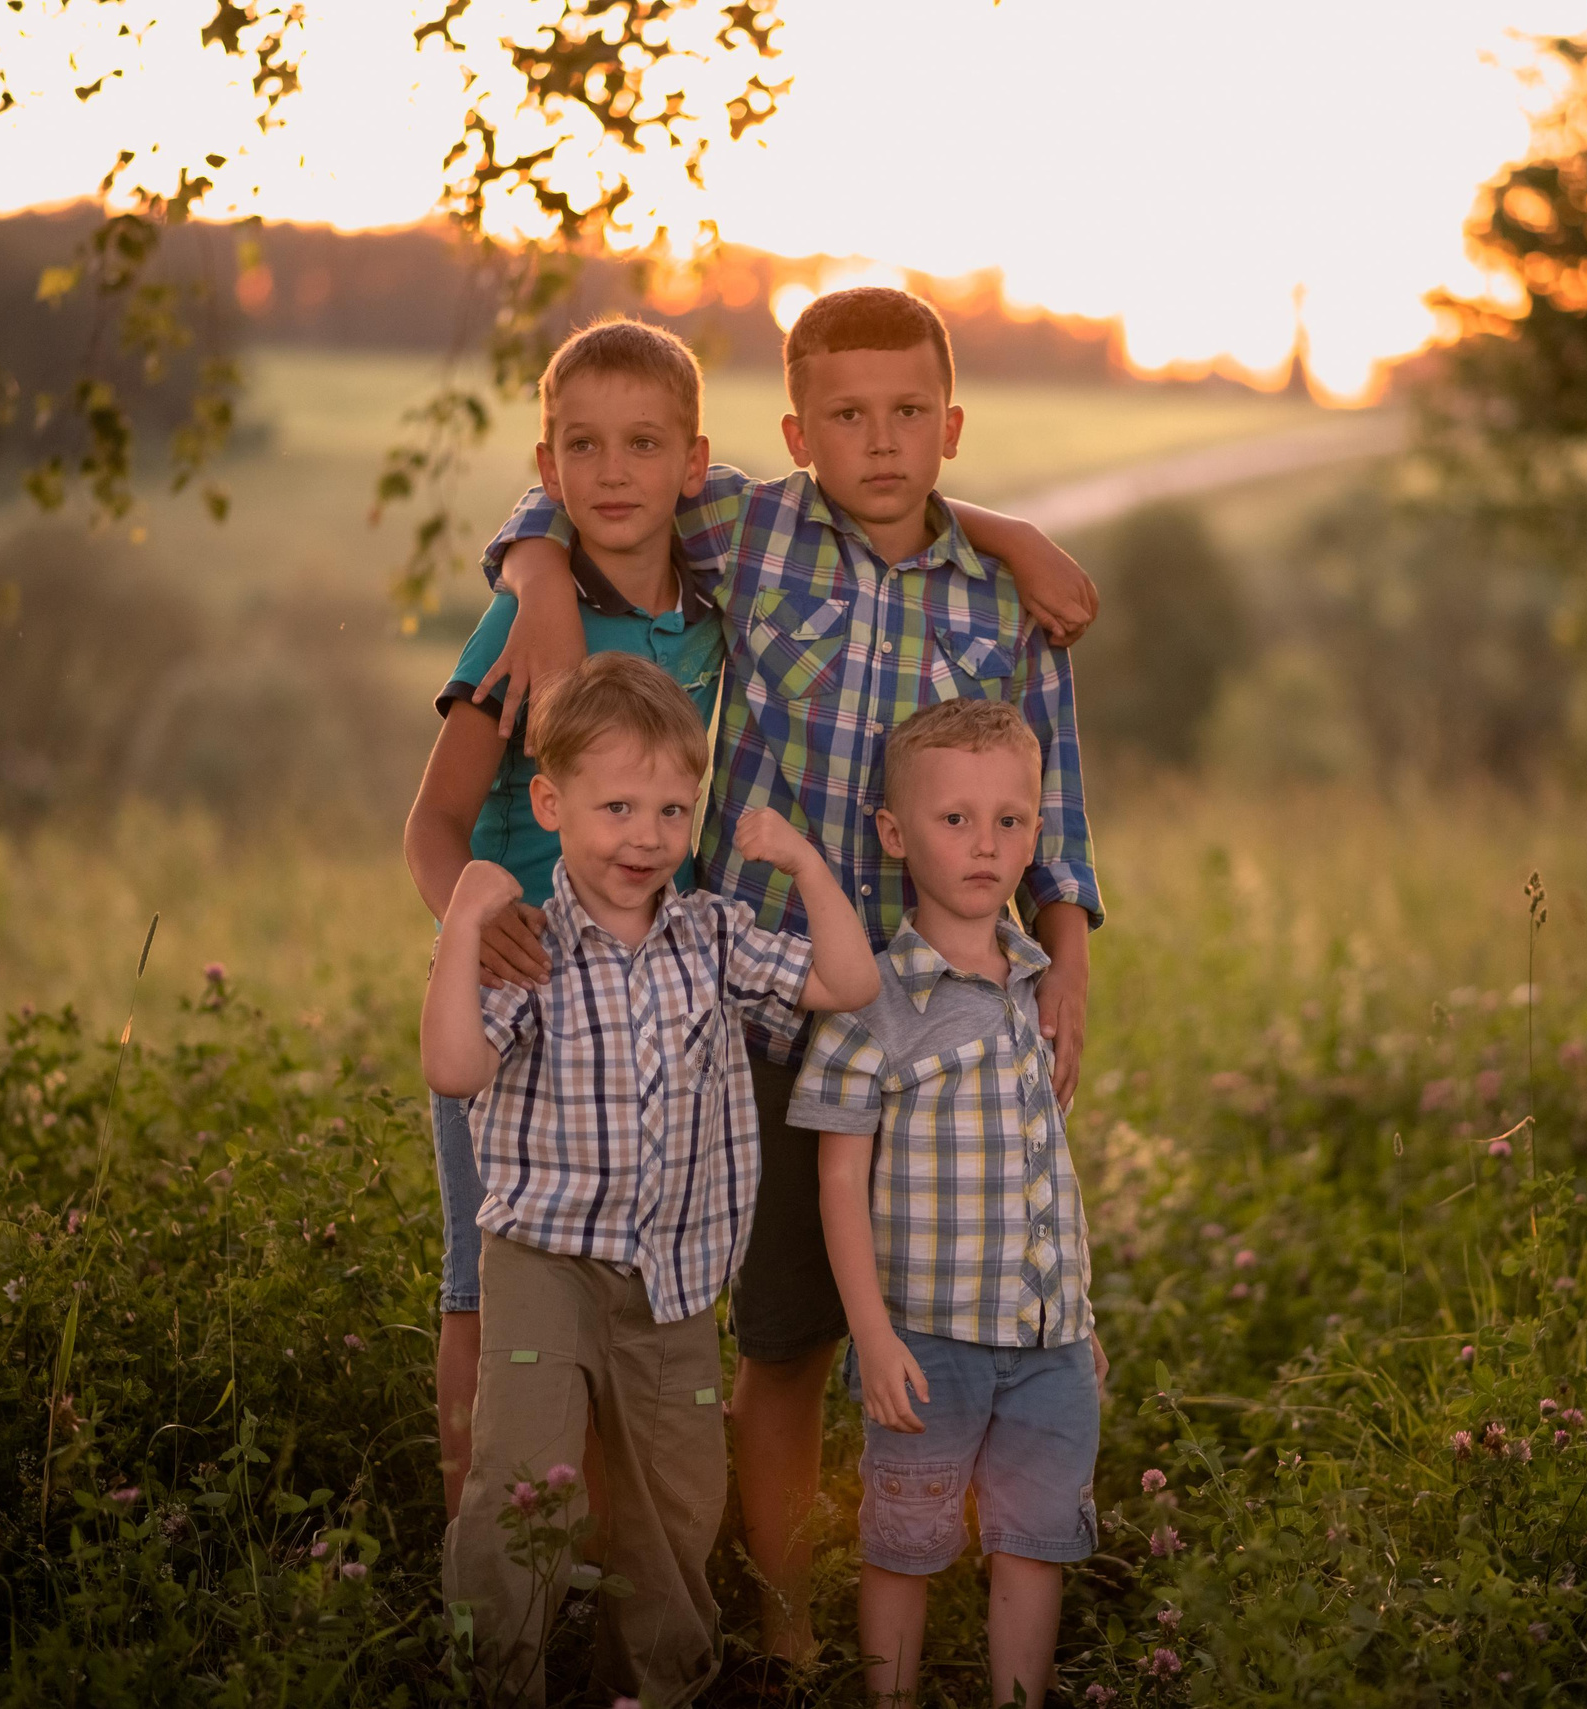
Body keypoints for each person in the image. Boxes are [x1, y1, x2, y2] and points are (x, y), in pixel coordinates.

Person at [472, 285, 1104, 1661]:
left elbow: (1054, 812)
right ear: (797, 432)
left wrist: (1065, 960)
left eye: (907, 414)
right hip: (758, 1007)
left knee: (923, 1311)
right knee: (771, 1329)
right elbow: (595, 488)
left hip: (938, 1020)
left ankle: (903, 1595)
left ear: (949, 426)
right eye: (846, 417)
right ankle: (780, 1624)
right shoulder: (752, 530)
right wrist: (531, 566)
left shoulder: (1001, 602)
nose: (879, 442)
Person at [420, 652, 879, 1706]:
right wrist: (464, 923)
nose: (646, 836)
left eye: (672, 810)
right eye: (618, 806)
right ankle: (496, 1678)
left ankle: (652, 1686)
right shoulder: (531, 948)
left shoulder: (710, 934)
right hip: (543, 1260)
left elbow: (846, 980)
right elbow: (453, 1068)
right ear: (551, 805)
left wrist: (803, 864)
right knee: (525, 1480)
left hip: (674, 1272)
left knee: (678, 1497)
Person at [402, 318, 726, 1517]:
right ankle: (476, 1532)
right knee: (487, 1279)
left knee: (612, 1279)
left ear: (693, 465)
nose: (613, 471)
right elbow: (433, 822)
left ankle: (584, 1535)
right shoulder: (526, 621)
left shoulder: (711, 610)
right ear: (546, 466)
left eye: (643, 444)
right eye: (581, 446)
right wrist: (468, 923)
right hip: (518, 991)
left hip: (636, 999)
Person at [793, 697, 1103, 1709]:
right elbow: (838, 1180)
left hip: (1047, 1340)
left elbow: (1045, 1167)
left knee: (1034, 1542)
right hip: (927, 1340)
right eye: (955, 819)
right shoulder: (870, 1002)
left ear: (1035, 831)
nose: (984, 844)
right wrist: (872, 1334)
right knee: (904, 1540)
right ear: (894, 832)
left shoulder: (1038, 989)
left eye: (1009, 821)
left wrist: (1077, 1314)